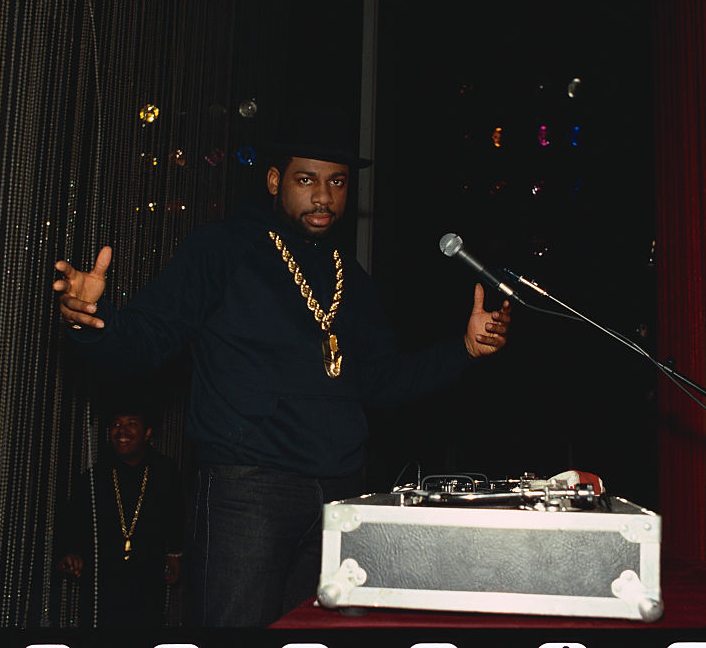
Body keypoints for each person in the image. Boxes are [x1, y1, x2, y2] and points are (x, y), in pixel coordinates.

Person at [52, 103, 512, 627]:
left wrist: (462, 352)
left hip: (339, 494)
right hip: (247, 490)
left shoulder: (352, 278)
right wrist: (92, 319)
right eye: (306, 180)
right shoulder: (221, 248)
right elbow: (151, 338)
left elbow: (380, 382)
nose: (324, 196)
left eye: (337, 182)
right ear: (275, 181)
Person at [55, 395, 185, 628]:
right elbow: (72, 523)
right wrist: (71, 553)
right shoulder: (95, 476)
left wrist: (174, 555)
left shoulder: (165, 472)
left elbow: (177, 516)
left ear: (147, 433)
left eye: (131, 423)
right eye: (116, 424)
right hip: (104, 582)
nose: (121, 431)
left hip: (148, 579)